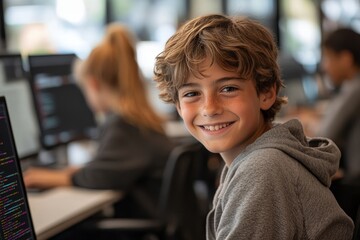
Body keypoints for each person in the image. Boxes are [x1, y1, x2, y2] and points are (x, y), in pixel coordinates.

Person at [153, 14, 354, 239]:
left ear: (267, 92)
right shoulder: (248, 163)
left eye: (228, 88)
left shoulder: (263, 169)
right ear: (178, 106)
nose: (209, 108)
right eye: (191, 94)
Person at [24, 23, 175, 219]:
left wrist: (46, 177)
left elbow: (99, 176)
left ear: (93, 84)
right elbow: (107, 167)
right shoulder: (141, 118)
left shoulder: (123, 125)